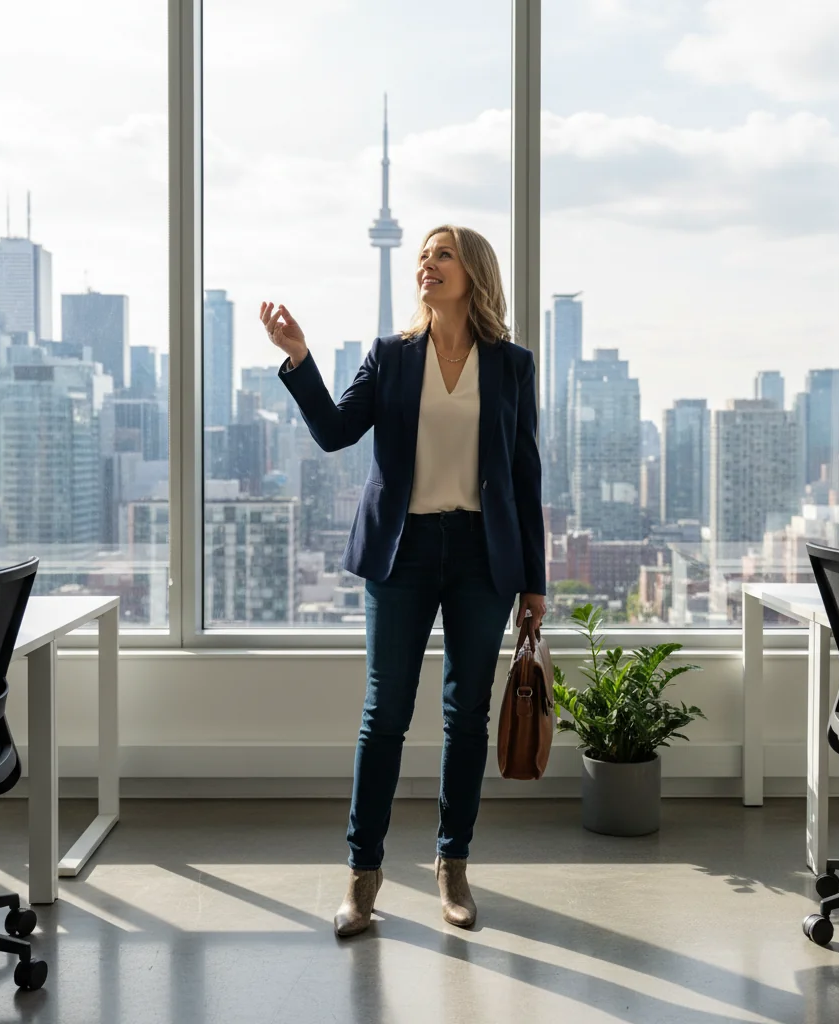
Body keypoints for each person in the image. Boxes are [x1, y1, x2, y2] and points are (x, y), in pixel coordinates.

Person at [261, 224, 546, 937]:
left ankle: (453, 867)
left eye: (441, 254)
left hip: (484, 556)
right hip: (403, 551)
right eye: (423, 255)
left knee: (465, 715)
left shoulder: (511, 365)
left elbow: (524, 475)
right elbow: (332, 432)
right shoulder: (390, 357)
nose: (427, 265)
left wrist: (534, 583)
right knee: (384, 713)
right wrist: (299, 358)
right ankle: (363, 878)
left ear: (473, 272)